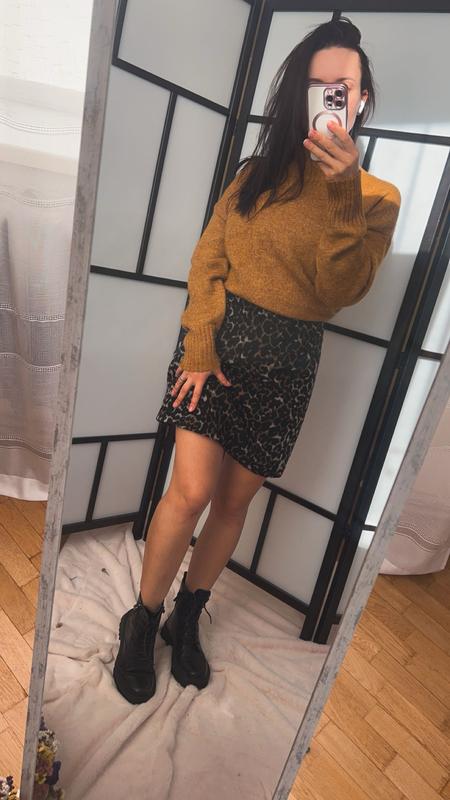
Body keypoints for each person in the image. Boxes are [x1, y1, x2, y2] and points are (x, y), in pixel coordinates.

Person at [113, 16, 401, 704]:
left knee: (234, 503)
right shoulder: (256, 173)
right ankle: (141, 618)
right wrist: (198, 344)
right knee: (189, 492)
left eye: (343, 86)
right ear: (300, 94)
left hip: (290, 362)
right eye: (317, 84)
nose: (330, 95)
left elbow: (340, 292)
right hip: (216, 348)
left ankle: (187, 615)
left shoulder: (377, 198)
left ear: (361, 99)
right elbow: (208, 261)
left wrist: (342, 190)